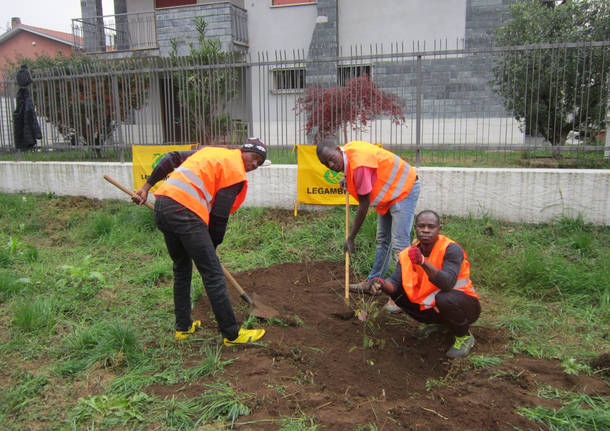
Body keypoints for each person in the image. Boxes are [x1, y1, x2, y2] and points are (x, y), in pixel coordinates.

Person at [133, 138, 267, 346]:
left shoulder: (211, 153)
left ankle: (183, 328)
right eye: (254, 158)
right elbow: (219, 219)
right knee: (212, 273)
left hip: (163, 207)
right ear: (243, 151)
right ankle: (232, 335)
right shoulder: (234, 171)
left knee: (182, 268)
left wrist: (147, 186)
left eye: (259, 163)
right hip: (184, 212)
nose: (254, 165)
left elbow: (172, 158)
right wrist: (210, 251)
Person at [316, 137, 420, 312]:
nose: (332, 166)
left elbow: (364, 204)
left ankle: (401, 295)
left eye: (332, 159)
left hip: (404, 190)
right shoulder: (349, 155)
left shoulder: (359, 163)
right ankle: (373, 282)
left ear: (337, 149)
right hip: (390, 194)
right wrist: (347, 180)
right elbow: (358, 175)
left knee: (400, 245)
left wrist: (351, 237)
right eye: (327, 165)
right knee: (383, 240)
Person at [364, 210, 481, 358]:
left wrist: (423, 262)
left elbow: (447, 284)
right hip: (438, 307)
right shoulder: (408, 254)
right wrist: (380, 283)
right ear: (415, 228)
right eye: (421, 226)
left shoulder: (451, 249)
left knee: (444, 298)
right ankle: (438, 324)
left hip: (466, 306)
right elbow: (394, 282)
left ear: (439, 229)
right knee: (397, 293)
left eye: (431, 226)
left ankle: (464, 336)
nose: (425, 230)